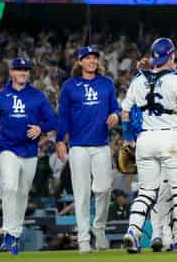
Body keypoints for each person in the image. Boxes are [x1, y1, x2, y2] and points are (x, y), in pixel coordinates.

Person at [121, 38, 177, 253]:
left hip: (145, 139)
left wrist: (128, 137)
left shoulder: (138, 80)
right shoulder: (175, 80)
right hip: (169, 137)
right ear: (171, 56)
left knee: (146, 191)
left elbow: (125, 112)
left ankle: (133, 231)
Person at [56, 46, 120, 253]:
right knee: (81, 194)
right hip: (78, 146)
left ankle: (99, 228)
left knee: (103, 188)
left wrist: (115, 116)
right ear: (80, 62)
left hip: (101, 144)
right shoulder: (69, 86)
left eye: (94, 58)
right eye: (87, 58)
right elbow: (63, 115)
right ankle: (84, 239)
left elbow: (115, 108)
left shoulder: (106, 83)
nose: (92, 61)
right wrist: (59, 141)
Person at [0, 57, 57, 255]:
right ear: (11, 73)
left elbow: (53, 120)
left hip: (30, 152)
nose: (22, 73)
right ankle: (8, 233)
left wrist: (40, 128)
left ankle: (15, 234)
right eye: (18, 69)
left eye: (25, 70)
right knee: (9, 187)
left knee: (22, 193)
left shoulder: (37, 96)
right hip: (8, 148)